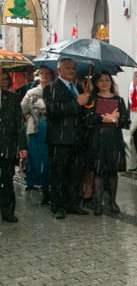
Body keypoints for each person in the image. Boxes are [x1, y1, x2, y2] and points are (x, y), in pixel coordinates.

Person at [43, 57, 90, 219]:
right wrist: (77, 103)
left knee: (75, 173)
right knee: (59, 173)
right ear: (59, 70)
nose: (72, 71)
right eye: (68, 68)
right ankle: (58, 205)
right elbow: (54, 110)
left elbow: (82, 112)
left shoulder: (78, 87)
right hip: (60, 139)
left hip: (78, 139)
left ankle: (73, 203)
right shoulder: (51, 88)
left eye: (74, 68)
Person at [84, 71, 130, 215]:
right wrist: (102, 118)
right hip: (98, 139)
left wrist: (115, 120)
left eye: (107, 80)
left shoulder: (119, 100)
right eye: (101, 80)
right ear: (96, 84)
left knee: (112, 171)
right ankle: (97, 203)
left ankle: (112, 201)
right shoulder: (92, 99)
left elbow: (126, 122)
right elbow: (86, 119)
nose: (105, 83)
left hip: (114, 139)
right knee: (99, 171)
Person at [20, 67, 55, 204]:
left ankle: (48, 187)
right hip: (36, 127)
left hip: (52, 128)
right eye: (42, 74)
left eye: (48, 73)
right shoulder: (32, 92)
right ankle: (37, 183)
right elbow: (23, 108)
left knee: (49, 159)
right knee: (37, 157)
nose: (45, 76)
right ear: (38, 75)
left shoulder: (55, 90)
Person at [0, 76, 27, 222]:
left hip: (7, 144)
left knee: (7, 178)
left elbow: (19, 123)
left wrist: (22, 145)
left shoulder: (12, 98)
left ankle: (8, 210)